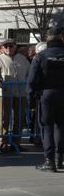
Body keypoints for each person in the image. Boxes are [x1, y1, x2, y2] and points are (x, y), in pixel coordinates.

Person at [28, 28, 64, 172]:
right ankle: (58, 159)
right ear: (61, 38)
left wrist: (30, 100)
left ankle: (49, 161)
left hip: (46, 94)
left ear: (48, 39)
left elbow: (31, 80)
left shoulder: (41, 56)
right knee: (61, 127)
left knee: (46, 127)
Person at [0, 39, 31, 153]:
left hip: (20, 93)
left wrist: (26, 83)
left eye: (11, 46)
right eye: (6, 46)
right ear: (2, 48)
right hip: (4, 94)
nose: (9, 48)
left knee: (19, 118)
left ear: (15, 47)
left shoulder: (23, 59)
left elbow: (29, 73)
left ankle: (16, 143)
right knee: (4, 119)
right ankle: (2, 144)